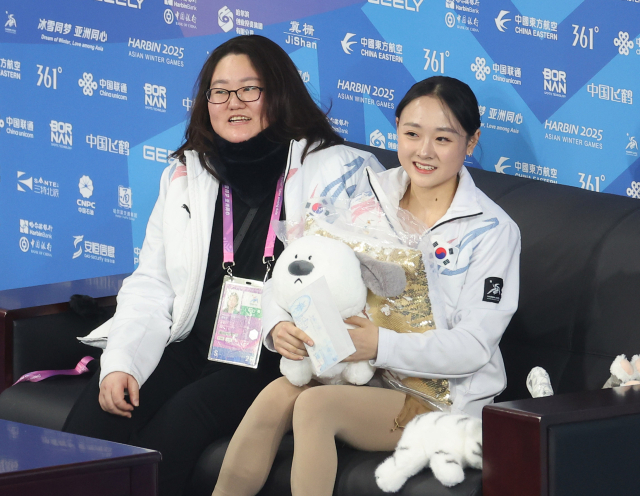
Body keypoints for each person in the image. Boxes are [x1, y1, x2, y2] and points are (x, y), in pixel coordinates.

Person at [62, 35, 383, 496]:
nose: (234, 103)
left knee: (179, 422)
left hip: (274, 356)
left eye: (250, 89)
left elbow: (368, 281)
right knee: (99, 412)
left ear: (279, 93)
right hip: (194, 342)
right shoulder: (187, 174)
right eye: (220, 91)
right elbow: (152, 283)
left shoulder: (338, 170)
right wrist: (121, 363)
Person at [212, 76, 521, 496]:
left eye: (443, 139)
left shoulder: (492, 230)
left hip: (443, 401)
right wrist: (277, 324)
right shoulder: (365, 195)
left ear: (471, 142)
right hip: (363, 375)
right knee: (278, 393)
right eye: (412, 134)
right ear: (396, 128)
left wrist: (379, 345)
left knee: (316, 406)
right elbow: (297, 267)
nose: (424, 151)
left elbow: (473, 347)